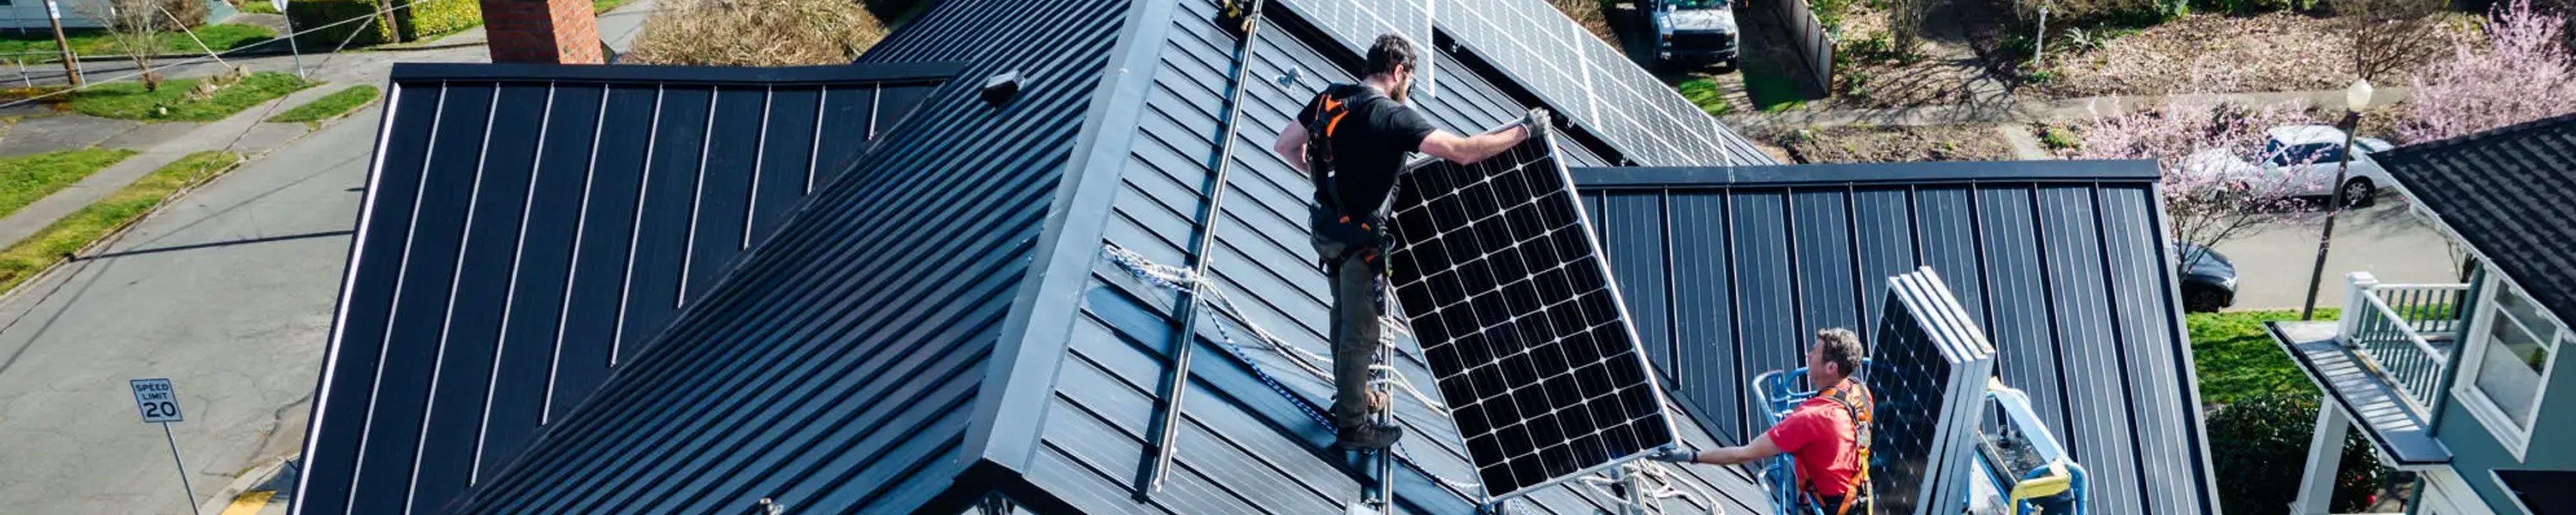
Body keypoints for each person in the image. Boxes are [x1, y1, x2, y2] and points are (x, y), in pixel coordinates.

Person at [1272, 33, 1541, 451]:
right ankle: (1353, 426)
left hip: (1326, 231)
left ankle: (1351, 398)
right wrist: (1524, 131)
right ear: (1399, 73)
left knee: (1342, 318)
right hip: (1361, 242)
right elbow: (1462, 151)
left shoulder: (1332, 98)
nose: (1407, 90)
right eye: (1408, 82)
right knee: (1360, 331)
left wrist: (1326, 188)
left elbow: (1286, 145)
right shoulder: (1395, 118)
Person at [1654, 328, 1873, 514]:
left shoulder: (1812, 418)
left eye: (1814, 352)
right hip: (1863, 494)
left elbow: (1744, 454)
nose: (1808, 356)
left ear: (1831, 367)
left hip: (1834, 507)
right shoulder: (1858, 390)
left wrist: (1692, 456)